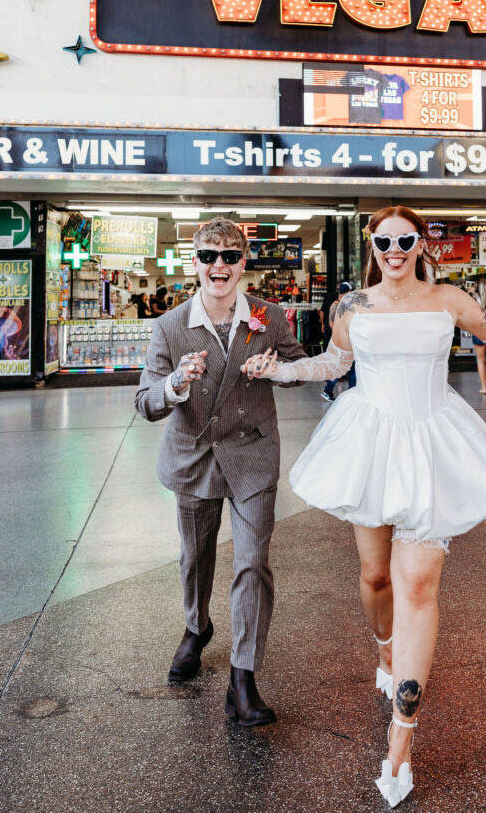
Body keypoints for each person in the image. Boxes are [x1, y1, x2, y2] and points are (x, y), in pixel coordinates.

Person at [242, 205, 486, 806]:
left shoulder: (449, 298)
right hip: (369, 441)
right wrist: (282, 370)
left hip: (431, 441)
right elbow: (335, 364)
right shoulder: (350, 307)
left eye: (406, 240)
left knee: (417, 584)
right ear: (373, 244)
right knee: (375, 576)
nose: (395, 249)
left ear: (421, 244)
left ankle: (401, 739)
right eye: (384, 240)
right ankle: (385, 648)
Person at [135, 218, 308, 725]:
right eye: (210, 255)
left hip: (252, 454)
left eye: (230, 256)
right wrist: (175, 384)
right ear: (195, 262)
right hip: (193, 456)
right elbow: (145, 402)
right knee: (196, 558)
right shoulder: (169, 326)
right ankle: (197, 627)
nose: (219, 265)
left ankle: (243, 677)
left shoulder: (269, 317)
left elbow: (299, 367)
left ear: (243, 262)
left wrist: (276, 368)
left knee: (252, 562)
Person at [321, 281, 356, 402]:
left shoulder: (344, 304)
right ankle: (328, 389)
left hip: (347, 341)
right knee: (340, 367)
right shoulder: (336, 305)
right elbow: (332, 324)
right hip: (342, 342)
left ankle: (353, 391)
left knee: (351, 367)